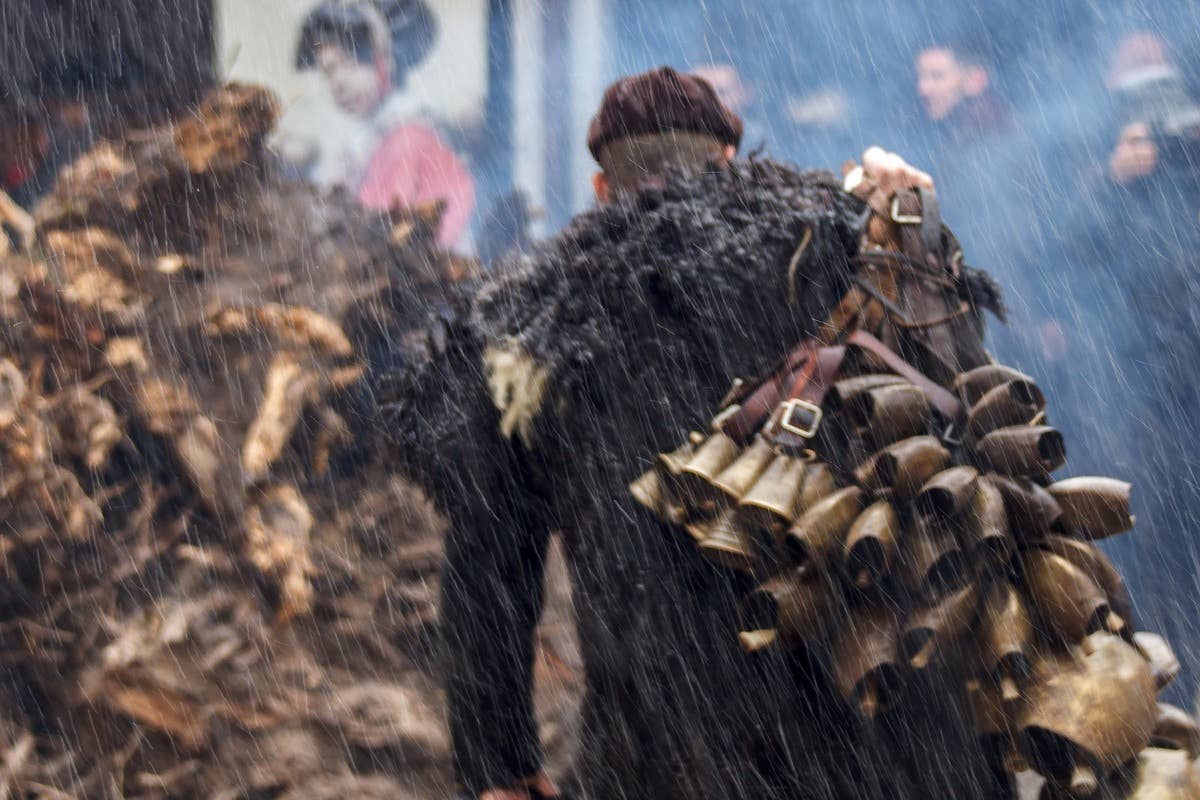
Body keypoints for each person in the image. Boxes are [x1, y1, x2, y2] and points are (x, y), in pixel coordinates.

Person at [381, 67, 1020, 800]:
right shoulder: (845, 249)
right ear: (728, 160)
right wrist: (917, 231)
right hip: (878, 728)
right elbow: (967, 415)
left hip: (663, 745)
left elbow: (489, 568)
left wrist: (501, 766)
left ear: (600, 188)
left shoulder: (528, 323)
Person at [295, 0, 474, 248]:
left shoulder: (408, 139)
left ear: (383, 60)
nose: (339, 82)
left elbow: (386, 242)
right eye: (328, 71)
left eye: (349, 63)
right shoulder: (362, 145)